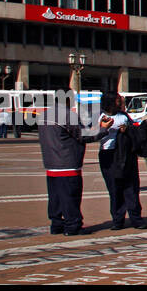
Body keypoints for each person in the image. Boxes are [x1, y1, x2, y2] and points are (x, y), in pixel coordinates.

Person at [38, 94, 112, 235]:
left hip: (51, 163)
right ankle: (73, 226)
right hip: (67, 162)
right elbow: (83, 135)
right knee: (70, 196)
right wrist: (102, 129)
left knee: (55, 198)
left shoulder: (44, 115)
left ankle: (56, 225)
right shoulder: (67, 115)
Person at [98, 93, 146, 230]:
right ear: (111, 102)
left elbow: (135, 130)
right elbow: (91, 133)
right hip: (108, 154)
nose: (121, 103)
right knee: (114, 188)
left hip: (125, 154)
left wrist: (127, 129)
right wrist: (103, 128)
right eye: (119, 101)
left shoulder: (123, 116)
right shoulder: (99, 116)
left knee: (131, 187)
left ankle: (136, 219)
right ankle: (118, 220)